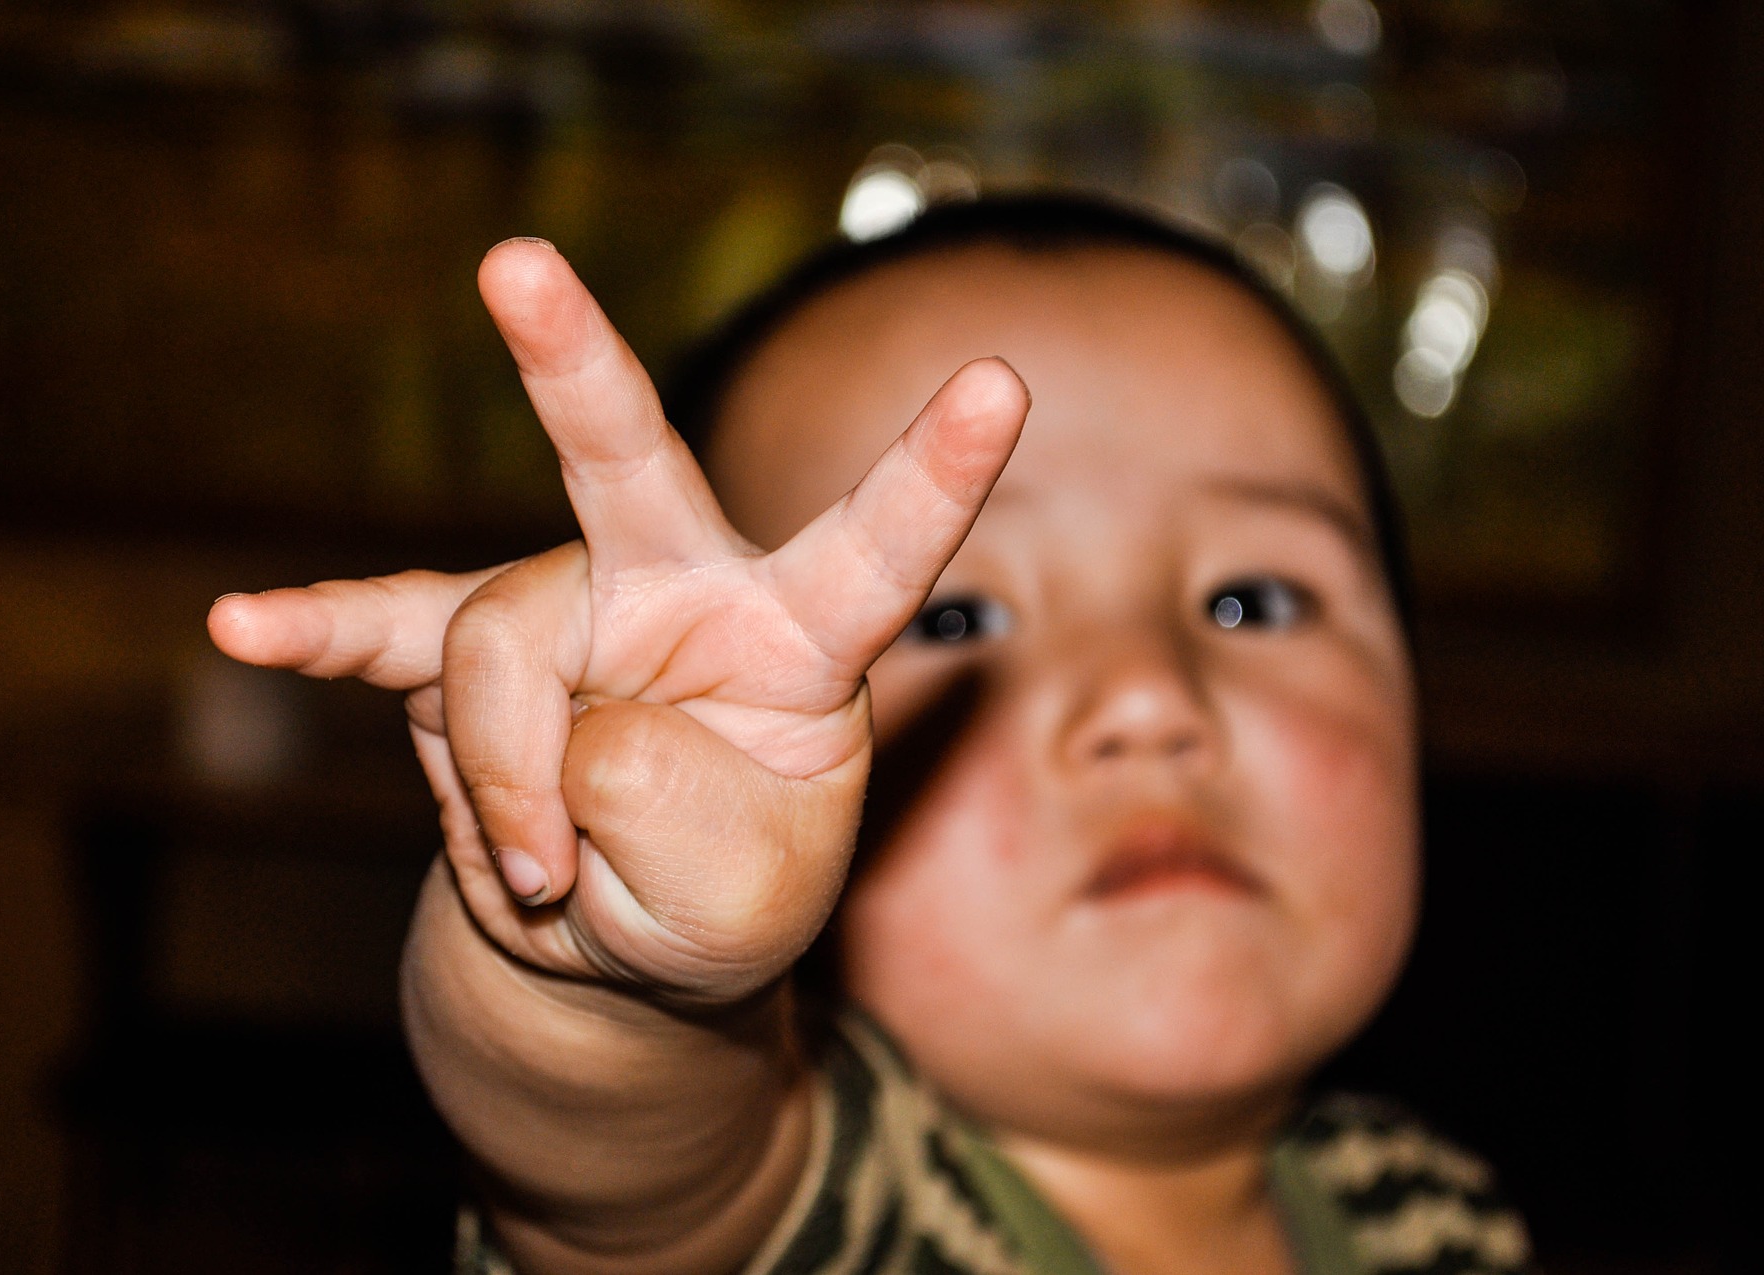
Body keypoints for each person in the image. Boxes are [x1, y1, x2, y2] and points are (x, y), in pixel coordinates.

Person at [208, 196, 1532, 1275]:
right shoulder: (824, 1207)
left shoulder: (1422, 1210)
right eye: (953, 617)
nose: (1149, 700)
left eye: (1255, 599)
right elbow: (629, 1159)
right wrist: (612, 974)